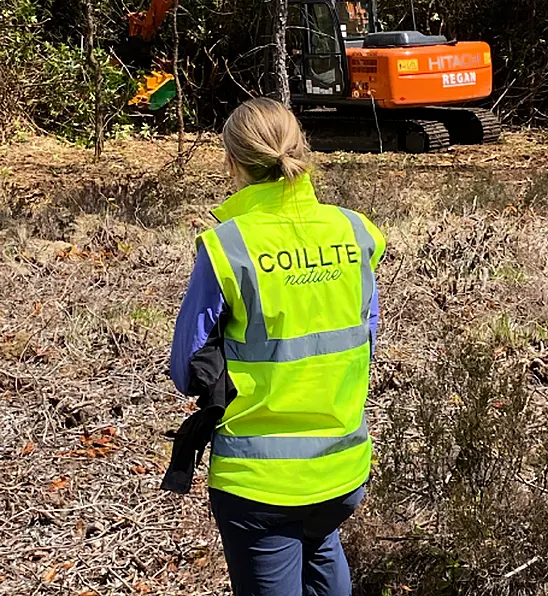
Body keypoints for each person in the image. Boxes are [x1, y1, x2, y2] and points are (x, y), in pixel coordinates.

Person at [162, 97, 386, 596]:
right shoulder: (353, 231)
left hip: (260, 479)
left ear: (232, 163)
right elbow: (365, 336)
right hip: (342, 466)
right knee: (319, 543)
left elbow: (186, 370)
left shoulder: (229, 246)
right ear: (301, 149)